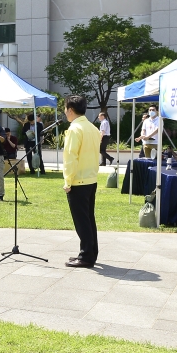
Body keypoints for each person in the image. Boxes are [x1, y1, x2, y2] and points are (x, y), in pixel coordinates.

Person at [62, 94, 102, 268]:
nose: (65, 113)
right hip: (91, 179)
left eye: (65, 109)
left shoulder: (74, 129)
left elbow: (71, 157)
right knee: (88, 218)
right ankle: (90, 252)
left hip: (78, 180)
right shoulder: (93, 128)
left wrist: (68, 181)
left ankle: (86, 255)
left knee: (81, 220)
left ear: (70, 110)